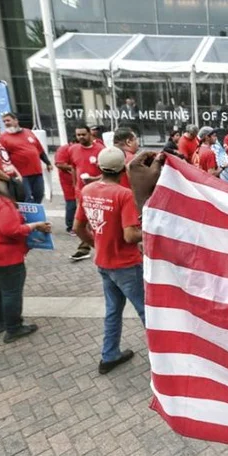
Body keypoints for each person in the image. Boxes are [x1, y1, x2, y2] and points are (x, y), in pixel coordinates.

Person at [73, 147, 144, 374]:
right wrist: (151, 229)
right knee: (148, 313)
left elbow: (77, 227)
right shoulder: (124, 195)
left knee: (113, 310)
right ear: (123, 168)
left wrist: (97, 245)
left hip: (104, 263)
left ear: (99, 168)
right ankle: (168, 362)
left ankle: (109, 354)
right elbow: (130, 235)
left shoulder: (88, 190)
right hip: (126, 265)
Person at [0, 163, 51, 342]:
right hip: (4, 254)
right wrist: (34, 225)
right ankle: (13, 328)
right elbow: (11, 230)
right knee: (10, 292)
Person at [65, 123, 104, 261]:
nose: (81, 137)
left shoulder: (100, 149)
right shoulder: (73, 150)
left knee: (96, 221)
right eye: (78, 135)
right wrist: (76, 185)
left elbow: (106, 172)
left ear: (90, 134)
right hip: (81, 192)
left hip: (97, 193)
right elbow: (74, 168)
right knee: (81, 222)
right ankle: (84, 248)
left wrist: (95, 179)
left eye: (83, 134)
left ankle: (99, 247)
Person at [0, 112, 52, 203]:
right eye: (4, 121)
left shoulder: (28, 132)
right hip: (21, 175)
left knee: (39, 194)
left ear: (16, 120)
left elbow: (39, 149)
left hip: (36, 171)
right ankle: (29, 217)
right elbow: (3, 158)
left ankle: (36, 215)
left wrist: (48, 162)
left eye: (8, 120)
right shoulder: (3, 138)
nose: (6, 123)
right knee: (27, 198)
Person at [54, 137, 78, 235]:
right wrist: (74, 168)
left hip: (80, 180)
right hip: (68, 181)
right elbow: (59, 164)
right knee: (71, 203)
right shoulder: (64, 149)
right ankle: (70, 226)